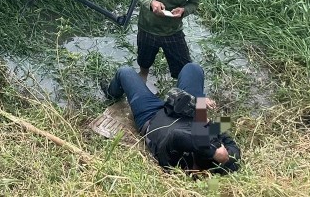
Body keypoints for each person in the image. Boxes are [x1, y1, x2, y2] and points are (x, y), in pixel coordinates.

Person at [102, 63, 241, 174]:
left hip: (150, 116)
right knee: (193, 68)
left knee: (125, 72)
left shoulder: (175, 161)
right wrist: (201, 113)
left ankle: (110, 95)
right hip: (185, 111)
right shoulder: (220, 160)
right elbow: (230, 144)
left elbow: (177, 136)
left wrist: (212, 150)